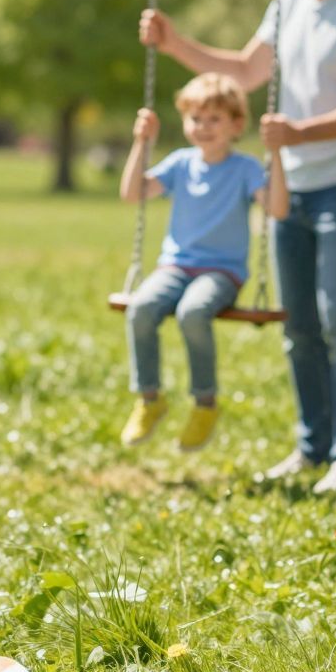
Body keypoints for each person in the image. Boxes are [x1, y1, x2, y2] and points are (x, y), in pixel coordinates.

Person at [139, 0, 336, 494]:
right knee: (299, 325)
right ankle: (313, 449)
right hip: (291, 185)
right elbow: (244, 70)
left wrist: (298, 133)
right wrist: (173, 42)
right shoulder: (289, 2)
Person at [119, 73, 288, 451]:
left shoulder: (245, 169)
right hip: (175, 267)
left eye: (214, 119)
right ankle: (149, 398)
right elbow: (132, 194)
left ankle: (205, 403)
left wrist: (276, 153)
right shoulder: (180, 164)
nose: (203, 127)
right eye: (195, 118)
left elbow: (278, 209)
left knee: (193, 312)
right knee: (141, 308)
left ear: (237, 125)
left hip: (221, 272)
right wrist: (141, 142)